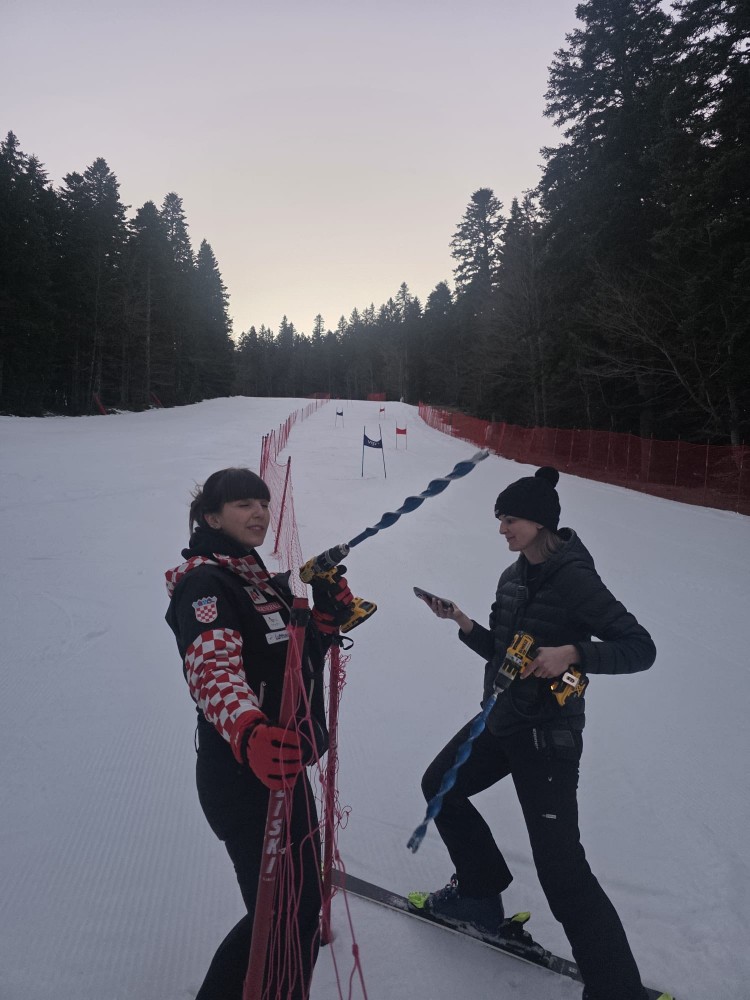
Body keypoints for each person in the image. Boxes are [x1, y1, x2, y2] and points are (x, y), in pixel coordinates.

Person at [417, 466, 656, 1000]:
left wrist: (573, 653)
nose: (502, 529)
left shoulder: (575, 578)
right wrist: (463, 623)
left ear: (540, 522)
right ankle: (478, 897)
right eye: (500, 519)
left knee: (560, 867)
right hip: (502, 719)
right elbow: (506, 654)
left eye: (510, 519)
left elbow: (641, 648)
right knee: (441, 786)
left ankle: (617, 989)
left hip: (548, 736)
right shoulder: (514, 577)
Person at [164, 467, 354, 1000]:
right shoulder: (207, 583)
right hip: (243, 773)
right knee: (280, 915)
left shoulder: (257, 578)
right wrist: (249, 733)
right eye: (244, 504)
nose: (260, 514)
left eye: (264, 503)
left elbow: (290, 660)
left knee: (295, 909)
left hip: (284, 767)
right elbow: (213, 670)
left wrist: (324, 620)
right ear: (211, 517)